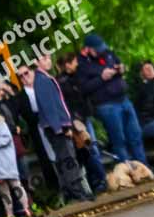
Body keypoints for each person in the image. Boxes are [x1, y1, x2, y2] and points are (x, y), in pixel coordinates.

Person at [77, 33, 148, 165]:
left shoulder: (108, 53)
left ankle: (145, 169)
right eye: (97, 49)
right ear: (88, 49)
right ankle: (129, 173)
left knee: (135, 136)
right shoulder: (81, 65)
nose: (101, 51)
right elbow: (83, 89)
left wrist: (121, 69)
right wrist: (101, 78)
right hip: (106, 105)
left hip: (124, 100)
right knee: (119, 140)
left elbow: (119, 64)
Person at [32, 54, 93, 203]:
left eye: (48, 58)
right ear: (36, 62)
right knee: (68, 159)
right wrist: (59, 127)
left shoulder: (44, 78)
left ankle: (69, 191)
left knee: (64, 159)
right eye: (44, 59)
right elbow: (49, 106)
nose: (48, 61)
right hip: (57, 127)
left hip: (59, 125)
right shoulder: (41, 80)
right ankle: (77, 193)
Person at [56, 53, 107, 194]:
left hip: (82, 118)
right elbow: (70, 103)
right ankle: (101, 180)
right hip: (78, 121)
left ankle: (97, 181)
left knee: (88, 150)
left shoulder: (74, 77)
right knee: (90, 149)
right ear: (67, 64)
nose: (76, 65)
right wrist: (75, 120)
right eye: (74, 62)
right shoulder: (63, 82)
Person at [15, 65, 61, 194]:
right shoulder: (21, 97)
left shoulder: (44, 86)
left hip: (55, 124)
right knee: (46, 159)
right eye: (21, 76)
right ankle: (56, 189)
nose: (24, 77)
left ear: (32, 72)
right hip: (38, 129)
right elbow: (26, 115)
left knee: (62, 154)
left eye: (26, 73)